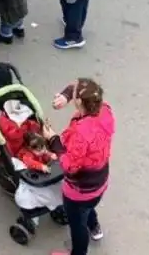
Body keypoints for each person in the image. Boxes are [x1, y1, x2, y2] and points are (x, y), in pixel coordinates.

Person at [48, 78, 115, 253]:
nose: (71, 89)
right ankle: (95, 227)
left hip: (80, 191)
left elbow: (70, 166)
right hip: (99, 182)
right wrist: (66, 95)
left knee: (77, 226)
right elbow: (81, 87)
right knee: (89, 208)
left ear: (78, 101)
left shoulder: (81, 133)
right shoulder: (105, 111)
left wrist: (53, 141)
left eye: (73, 92)